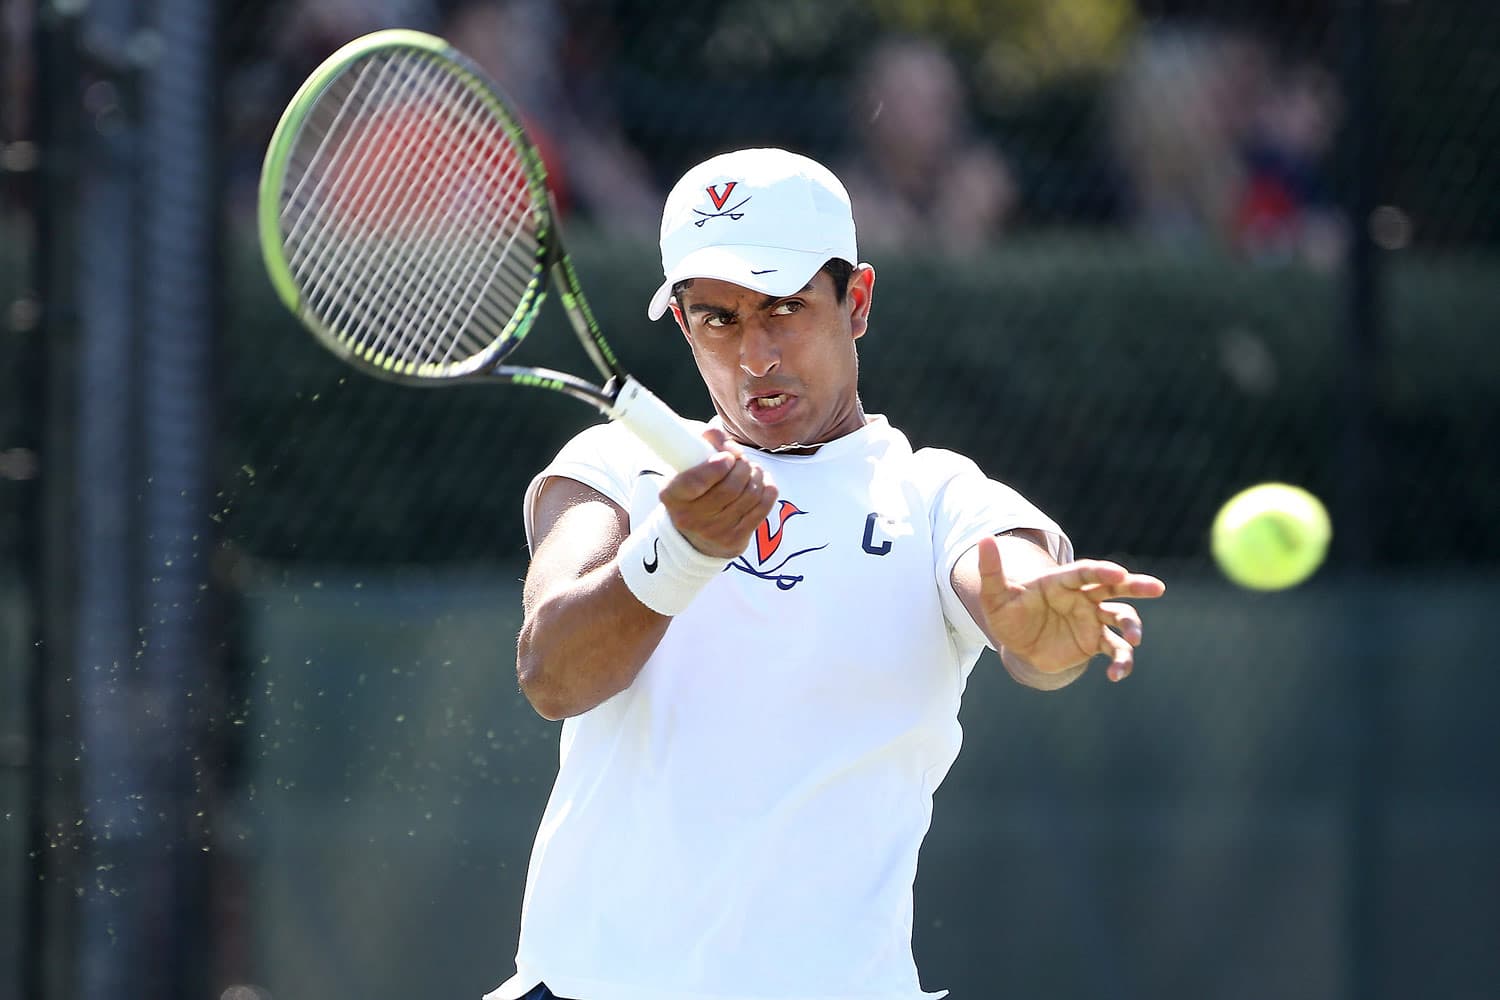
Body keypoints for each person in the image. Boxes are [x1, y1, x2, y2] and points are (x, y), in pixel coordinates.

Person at [488, 147, 1165, 1000]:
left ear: (858, 303)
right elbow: (551, 672)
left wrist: (1037, 628)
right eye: (717, 319)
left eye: (784, 308)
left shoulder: (935, 494)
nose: (756, 355)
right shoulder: (612, 467)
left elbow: (1016, 594)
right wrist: (680, 551)